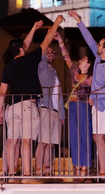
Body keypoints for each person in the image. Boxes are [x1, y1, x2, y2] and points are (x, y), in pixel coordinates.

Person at [0, 15, 64, 179]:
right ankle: (27, 174)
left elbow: (2, 92)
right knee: (26, 140)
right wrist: (56, 23)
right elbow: (47, 40)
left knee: (12, 141)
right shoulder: (30, 59)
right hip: (28, 105)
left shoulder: (8, 67)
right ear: (21, 49)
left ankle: (12, 173)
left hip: (11, 108)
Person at [69, 10, 105, 177]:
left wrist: (93, 95)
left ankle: (104, 172)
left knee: (99, 138)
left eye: (99, 44)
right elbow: (89, 39)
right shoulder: (99, 58)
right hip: (102, 104)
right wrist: (78, 21)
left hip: (103, 105)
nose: (96, 45)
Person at [54, 32, 93, 181]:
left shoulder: (91, 78)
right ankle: (77, 166)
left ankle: (85, 167)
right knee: (74, 136)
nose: (81, 59)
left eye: (84, 59)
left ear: (88, 64)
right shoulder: (75, 73)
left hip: (84, 106)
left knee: (85, 135)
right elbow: (66, 58)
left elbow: (97, 90)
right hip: (73, 106)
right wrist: (60, 42)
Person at [34, 46, 65, 177]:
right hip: (44, 107)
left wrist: (62, 114)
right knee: (43, 142)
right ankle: (38, 170)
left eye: (53, 52)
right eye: (48, 52)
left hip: (55, 110)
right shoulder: (42, 68)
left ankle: (48, 171)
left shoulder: (55, 72)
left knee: (51, 143)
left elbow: (59, 94)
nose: (51, 54)